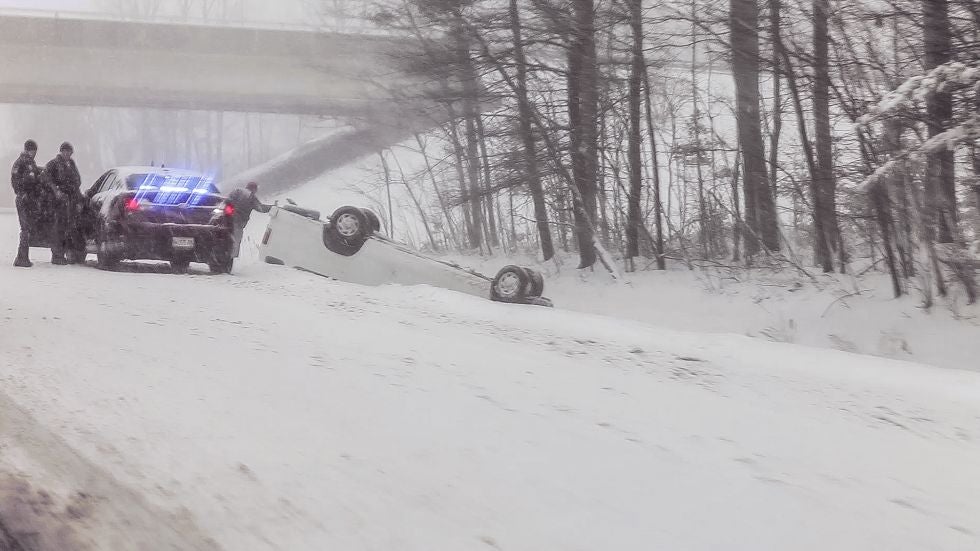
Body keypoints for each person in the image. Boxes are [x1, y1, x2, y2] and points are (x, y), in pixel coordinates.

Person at [42, 142, 82, 265]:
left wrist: (78, 199)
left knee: (68, 228)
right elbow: (46, 178)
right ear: (61, 151)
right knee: (58, 228)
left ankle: (66, 253)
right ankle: (57, 255)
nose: (67, 153)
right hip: (58, 202)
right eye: (64, 151)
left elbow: (77, 181)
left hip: (71, 200)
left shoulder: (71, 164)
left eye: (69, 151)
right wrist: (56, 190)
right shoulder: (53, 164)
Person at [11, 139, 41, 267]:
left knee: (27, 227)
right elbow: (15, 180)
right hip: (23, 199)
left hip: (29, 199)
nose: (33, 153)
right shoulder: (20, 163)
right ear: (27, 150)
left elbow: (35, 176)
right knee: (25, 228)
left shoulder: (31, 163)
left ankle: (23, 256)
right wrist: (22, 193)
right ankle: (21, 258)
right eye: (32, 150)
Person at [227, 181, 272, 258]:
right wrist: (272, 207)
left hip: (226, 221)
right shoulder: (251, 197)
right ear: (254, 189)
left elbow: (227, 201)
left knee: (228, 239)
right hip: (238, 223)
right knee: (236, 242)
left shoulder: (237, 191)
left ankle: (224, 254)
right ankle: (231, 259)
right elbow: (261, 208)